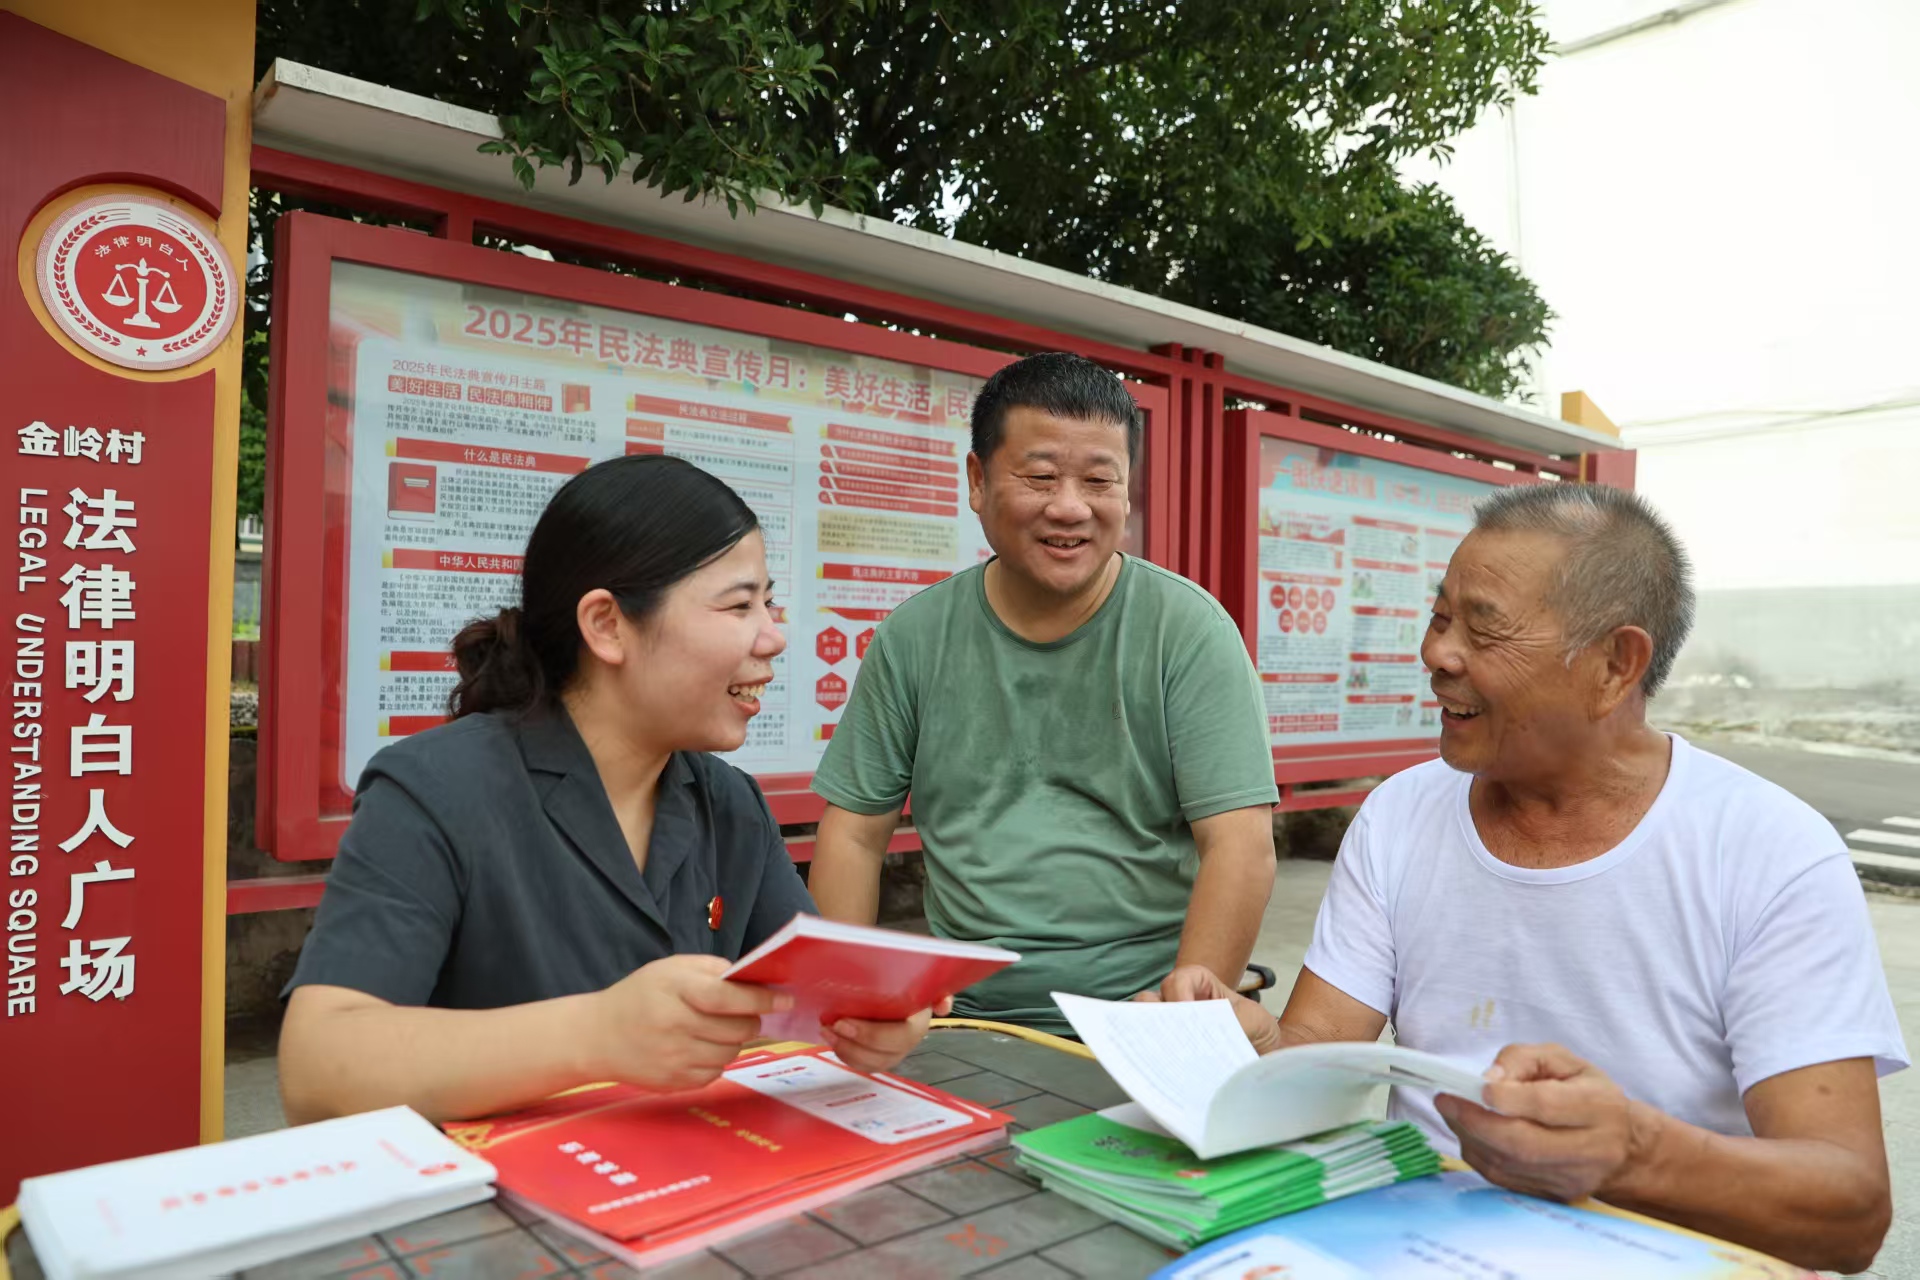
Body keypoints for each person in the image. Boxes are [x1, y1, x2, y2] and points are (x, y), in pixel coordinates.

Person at [1155, 483, 1907, 1273]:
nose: (1438, 654)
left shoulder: (1769, 851)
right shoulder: (1401, 815)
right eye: (1440, 617)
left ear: (1617, 665)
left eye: (1484, 629)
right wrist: (1259, 1041)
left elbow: (1851, 1213)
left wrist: (1630, 1155)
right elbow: (1319, 1050)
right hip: (1409, 1246)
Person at [279, 456, 940, 1125]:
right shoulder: (434, 789)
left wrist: (867, 1017)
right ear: (607, 625)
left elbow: (809, 998)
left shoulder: (729, 804)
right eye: (740, 604)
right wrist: (597, 1033)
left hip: (684, 1193)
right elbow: (317, 1066)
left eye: (768, 602)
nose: (774, 635)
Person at [807, 352, 1279, 1034]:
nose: (1069, 507)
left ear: (1126, 492)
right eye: (1040, 477)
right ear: (977, 479)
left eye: (1098, 481)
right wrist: (846, 1000)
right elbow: (853, 831)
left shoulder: (1187, 630)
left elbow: (1240, 843)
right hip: (960, 1016)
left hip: (1139, 1014)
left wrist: (1180, 1027)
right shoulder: (915, 635)